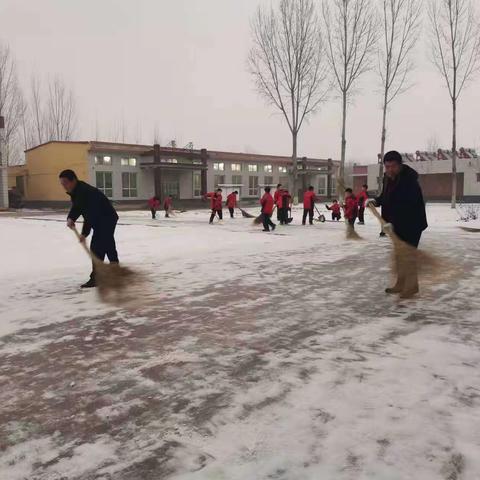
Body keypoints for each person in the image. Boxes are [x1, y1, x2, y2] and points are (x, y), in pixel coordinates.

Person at [367, 150, 428, 298]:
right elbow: (386, 197)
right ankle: (401, 283)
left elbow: (408, 205)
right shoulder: (388, 178)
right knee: (400, 255)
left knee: (408, 256)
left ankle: (412, 287)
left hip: (412, 223)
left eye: (392, 166)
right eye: (387, 166)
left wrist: (392, 223)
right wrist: (376, 201)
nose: (389, 170)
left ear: (400, 165)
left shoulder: (409, 180)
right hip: (396, 225)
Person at [59, 169, 119, 288]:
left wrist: (84, 234)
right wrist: (71, 218)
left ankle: (108, 274)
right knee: (103, 245)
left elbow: (91, 215)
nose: (64, 186)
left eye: (65, 183)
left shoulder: (86, 192)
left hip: (106, 218)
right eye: (62, 184)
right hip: (99, 218)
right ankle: (108, 273)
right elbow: (77, 207)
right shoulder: (77, 191)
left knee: (100, 246)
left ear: (73, 180)